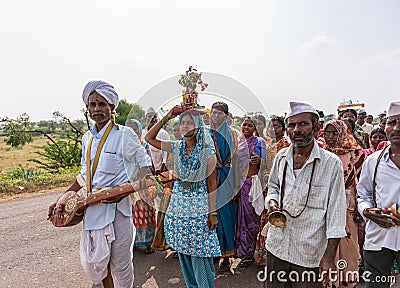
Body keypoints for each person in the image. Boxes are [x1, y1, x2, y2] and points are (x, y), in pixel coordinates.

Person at [48, 81, 152, 288]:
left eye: (102, 104)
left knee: (120, 265)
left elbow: (147, 169)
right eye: (93, 104)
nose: (97, 109)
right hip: (92, 210)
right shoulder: (87, 138)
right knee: (97, 265)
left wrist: (124, 192)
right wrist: (62, 198)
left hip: (118, 212)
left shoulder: (125, 135)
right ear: (87, 108)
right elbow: (84, 176)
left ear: (112, 108)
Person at [266, 102, 347, 287]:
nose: (297, 130)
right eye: (292, 125)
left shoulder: (331, 163)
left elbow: (336, 213)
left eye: (303, 124)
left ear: (316, 128)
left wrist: (329, 257)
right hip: (277, 246)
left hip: (309, 254)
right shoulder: (281, 157)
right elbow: (273, 187)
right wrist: (272, 202)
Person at [145, 106, 220, 288]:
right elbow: (148, 138)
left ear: (199, 126)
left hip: (198, 207)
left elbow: (211, 185)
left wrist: (213, 213)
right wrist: (168, 116)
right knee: (185, 254)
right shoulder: (177, 147)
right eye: (182, 123)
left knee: (200, 255)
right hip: (178, 207)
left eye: (189, 123)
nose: (185, 127)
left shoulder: (208, 153)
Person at [357, 101, 400, 288]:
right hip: (378, 238)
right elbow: (363, 194)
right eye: (391, 122)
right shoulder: (373, 161)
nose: (396, 128)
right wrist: (366, 211)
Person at [323, 120, 365, 287]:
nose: (330, 137)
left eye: (335, 133)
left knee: (348, 248)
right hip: (326, 207)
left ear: (343, 133)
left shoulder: (356, 155)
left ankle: (347, 282)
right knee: (328, 248)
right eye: (327, 133)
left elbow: (362, 184)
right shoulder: (321, 153)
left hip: (349, 208)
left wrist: (359, 208)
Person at [255, 116, 291, 266]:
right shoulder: (268, 144)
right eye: (271, 126)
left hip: (281, 187)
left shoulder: (287, 145)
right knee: (265, 218)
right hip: (266, 185)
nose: (273, 129)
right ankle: (265, 255)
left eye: (276, 126)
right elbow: (264, 166)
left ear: (283, 128)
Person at [209, 101, 239, 272]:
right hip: (210, 177)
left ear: (226, 116)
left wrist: (235, 187)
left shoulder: (233, 134)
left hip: (226, 176)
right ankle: (213, 252)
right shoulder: (207, 134)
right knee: (211, 215)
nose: (216, 116)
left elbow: (235, 160)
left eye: (220, 113)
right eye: (214, 112)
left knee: (226, 217)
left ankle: (226, 257)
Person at [235, 117, 266, 268]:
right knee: (240, 220)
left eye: (250, 125)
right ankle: (243, 252)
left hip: (252, 184)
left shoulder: (259, 142)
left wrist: (261, 160)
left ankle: (249, 252)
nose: (246, 127)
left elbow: (268, 163)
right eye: (244, 124)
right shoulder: (238, 142)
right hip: (239, 184)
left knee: (251, 220)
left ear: (255, 128)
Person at [126, 119, 156, 254]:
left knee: (146, 212)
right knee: (132, 214)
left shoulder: (144, 145)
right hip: (129, 185)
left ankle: (149, 243)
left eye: (134, 128)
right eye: (129, 128)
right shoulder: (123, 146)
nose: (132, 131)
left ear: (139, 130)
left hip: (143, 184)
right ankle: (134, 242)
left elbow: (149, 164)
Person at [142, 107, 170, 174]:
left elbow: (166, 155)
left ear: (157, 120)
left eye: (155, 116)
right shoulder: (142, 133)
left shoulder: (163, 134)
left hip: (159, 170)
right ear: (145, 119)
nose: (152, 119)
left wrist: (161, 171)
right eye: (149, 116)